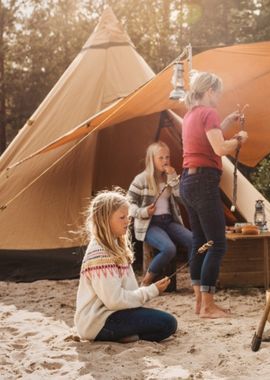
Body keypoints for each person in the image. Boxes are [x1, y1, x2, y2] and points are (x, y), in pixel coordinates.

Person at [179, 71, 248, 319]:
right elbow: (219, 147)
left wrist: (227, 121)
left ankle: (199, 303)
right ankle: (209, 306)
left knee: (200, 242)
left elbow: (209, 136)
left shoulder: (190, 115)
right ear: (209, 91)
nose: (219, 96)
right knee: (217, 244)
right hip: (203, 181)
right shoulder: (209, 113)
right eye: (218, 92)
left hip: (187, 180)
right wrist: (239, 139)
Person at [74, 189, 177, 343]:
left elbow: (126, 294)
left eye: (127, 217)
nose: (127, 222)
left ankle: (124, 335)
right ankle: (119, 335)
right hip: (97, 322)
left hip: (114, 313)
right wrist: (151, 291)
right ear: (104, 220)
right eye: (121, 217)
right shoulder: (100, 253)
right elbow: (114, 301)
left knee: (164, 321)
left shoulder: (114, 245)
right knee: (167, 323)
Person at [128, 141, 192, 286]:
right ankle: (146, 281)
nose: (165, 161)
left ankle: (196, 280)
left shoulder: (170, 176)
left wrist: (174, 178)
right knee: (169, 249)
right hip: (150, 224)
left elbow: (181, 199)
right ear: (152, 159)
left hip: (168, 221)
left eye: (167, 157)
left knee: (192, 240)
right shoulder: (141, 179)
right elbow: (128, 204)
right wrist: (143, 211)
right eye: (161, 158)